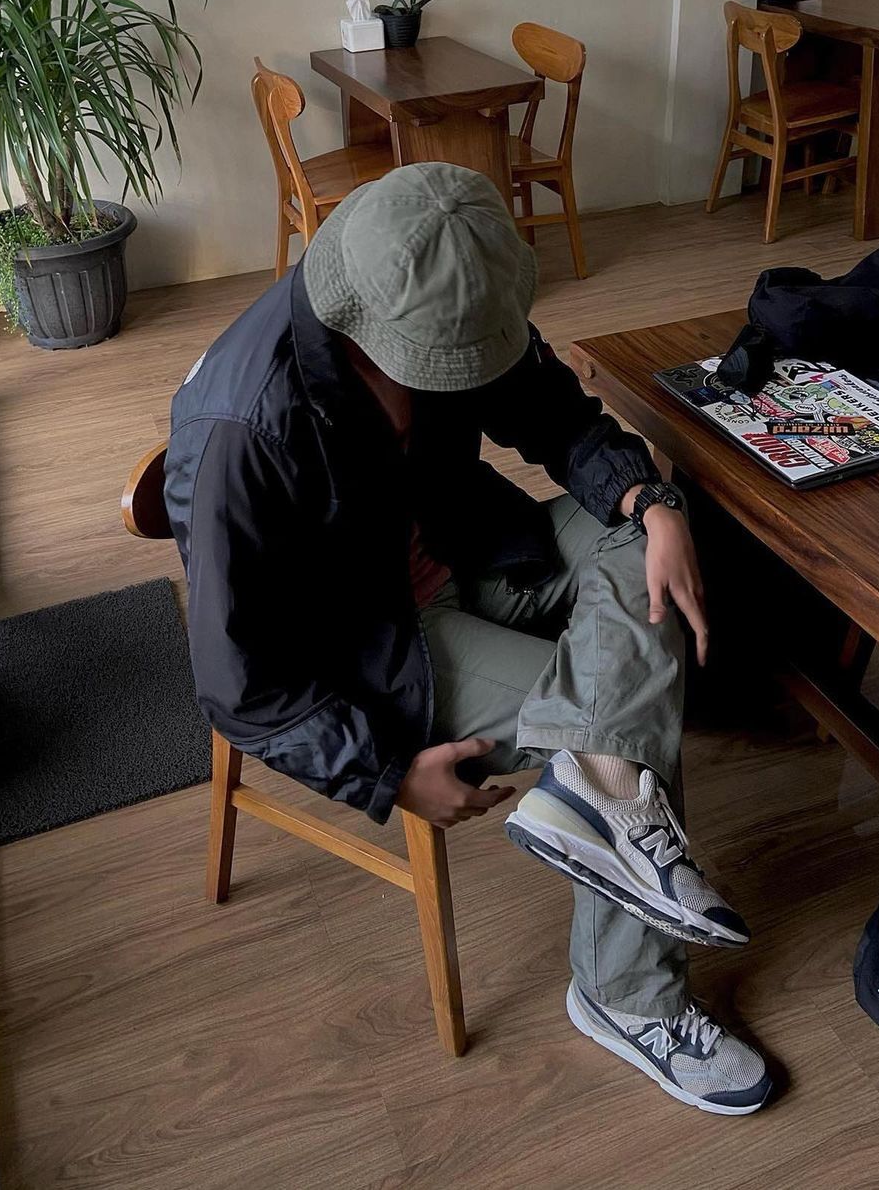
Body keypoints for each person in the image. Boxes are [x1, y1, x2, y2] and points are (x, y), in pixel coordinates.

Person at [165, 162, 772, 1114]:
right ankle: (628, 991)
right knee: (625, 712)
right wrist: (384, 775)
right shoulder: (244, 432)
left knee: (645, 544)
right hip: (375, 643)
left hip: (468, 547)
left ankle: (603, 808)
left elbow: (554, 414)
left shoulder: (446, 291)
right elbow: (240, 686)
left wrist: (650, 502)